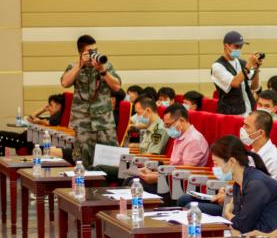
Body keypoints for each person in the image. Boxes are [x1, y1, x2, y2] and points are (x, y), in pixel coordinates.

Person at [60, 34, 122, 167]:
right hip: (83, 123)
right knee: (83, 162)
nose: (94, 54)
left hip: (104, 123)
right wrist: (80, 65)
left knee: (111, 163)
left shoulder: (105, 66)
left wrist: (103, 71)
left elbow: (117, 86)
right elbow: (65, 83)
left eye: (96, 50)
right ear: (81, 53)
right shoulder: (74, 67)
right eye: (90, 52)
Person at [138, 103, 209, 193]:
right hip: (172, 179)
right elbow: (174, 164)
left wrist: (158, 178)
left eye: (168, 125)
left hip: (183, 186)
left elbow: (185, 171)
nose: (167, 128)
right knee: (135, 180)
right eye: (165, 125)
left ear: (181, 120)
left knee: (137, 183)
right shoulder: (180, 136)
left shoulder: (193, 140)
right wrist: (156, 173)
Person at [95, 95, 169, 181]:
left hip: (143, 169)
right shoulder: (150, 126)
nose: (137, 116)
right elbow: (144, 149)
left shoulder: (159, 130)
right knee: (99, 166)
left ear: (148, 110)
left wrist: (129, 159)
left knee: (99, 169)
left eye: (138, 113)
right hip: (136, 164)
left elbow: (152, 156)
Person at [211, 30, 261, 116]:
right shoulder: (217, 66)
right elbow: (234, 83)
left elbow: (254, 87)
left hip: (249, 111)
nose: (239, 49)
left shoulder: (243, 63)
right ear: (226, 46)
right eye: (236, 46)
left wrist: (256, 69)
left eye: (241, 47)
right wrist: (248, 66)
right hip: (231, 114)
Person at [0, 94, 64, 156]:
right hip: (25, 138)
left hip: (27, 141)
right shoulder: (51, 117)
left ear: (58, 106)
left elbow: (48, 123)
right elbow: (30, 119)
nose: (49, 108)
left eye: (51, 105)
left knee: (1, 136)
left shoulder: (58, 116)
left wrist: (39, 121)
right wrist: (43, 109)